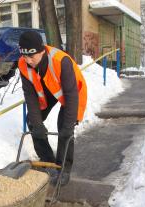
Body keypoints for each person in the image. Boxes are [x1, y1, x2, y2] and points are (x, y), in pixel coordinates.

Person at [18, 31, 87, 186]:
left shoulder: (61, 61)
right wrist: (38, 125)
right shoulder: (23, 64)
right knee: (33, 122)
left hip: (73, 92)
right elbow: (30, 96)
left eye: (32, 56)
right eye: (24, 56)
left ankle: (64, 168)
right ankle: (48, 163)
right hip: (47, 92)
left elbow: (71, 96)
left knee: (64, 127)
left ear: (42, 51)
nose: (28, 61)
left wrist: (68, 126)